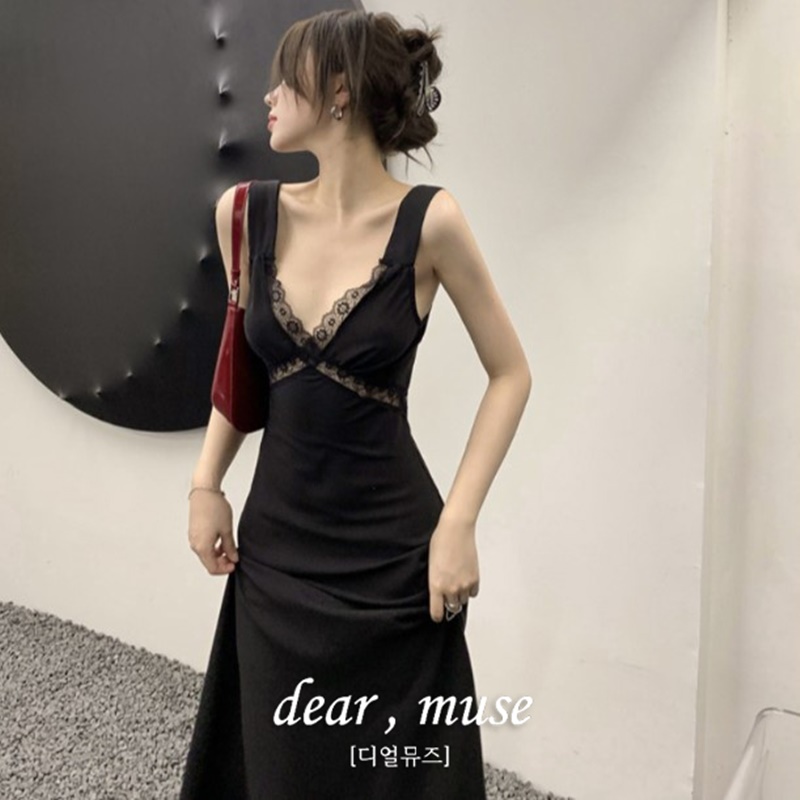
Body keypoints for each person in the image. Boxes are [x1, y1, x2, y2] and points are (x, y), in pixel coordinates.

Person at [179, 9, 531, 800]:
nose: (267, 95)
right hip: (277, 553)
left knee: (394, 772)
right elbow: (241, 371)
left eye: (285, 77)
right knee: (281, 767)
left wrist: (459, 524)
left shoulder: (430, 222)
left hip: (393, 562)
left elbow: (511, 373)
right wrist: (206, 484)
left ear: (338, 90)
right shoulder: (244, 214)